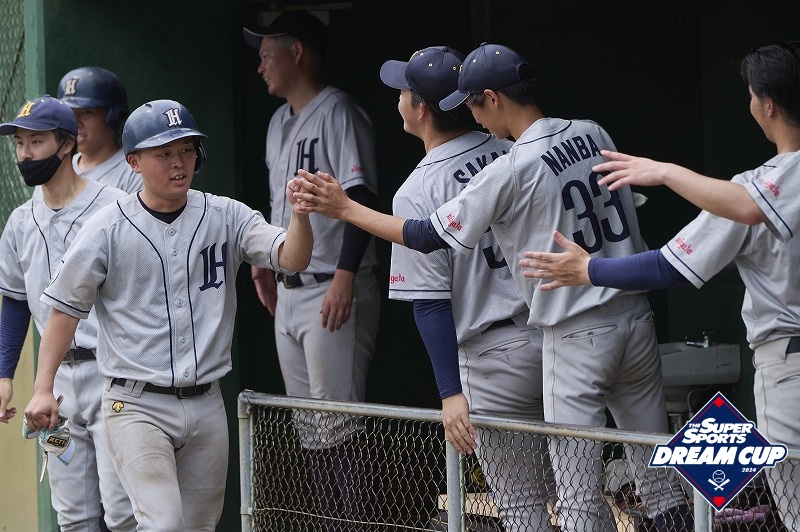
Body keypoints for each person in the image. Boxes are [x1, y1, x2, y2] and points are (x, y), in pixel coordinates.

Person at [292, 42, 693, 532]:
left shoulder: (497, 168)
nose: (473, 114)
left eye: (475, 103)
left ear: (487, 99)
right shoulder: (587, 132)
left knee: (559, 503)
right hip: (627, 319)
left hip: (552, 339)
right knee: (659, 483)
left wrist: (345, 209)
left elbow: (427, 256)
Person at [520, 40, 800, 530]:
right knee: (663, 481)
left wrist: (590, 270)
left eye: (752, 95)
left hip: (789, 366)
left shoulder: (755, 188)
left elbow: (670, 266)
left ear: (768, 105)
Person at [22, 99, 313, 531]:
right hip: (135, 403)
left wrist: (301, 217)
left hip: (206, 402)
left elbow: (291, 258)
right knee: (163, 524)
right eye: (164, 153)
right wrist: (42, 388)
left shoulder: (225, 214)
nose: (178, 163)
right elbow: (64, 308)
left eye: (186, 150)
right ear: (135, 162)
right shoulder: (106, 227)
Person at [378, 45, 555, 530]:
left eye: (403, 92)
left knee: (522, 508)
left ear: (420, 109)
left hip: (493, 357)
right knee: (577, 493)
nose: (397, 99)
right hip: (555, 334)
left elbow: (430, 303)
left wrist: (449, 392)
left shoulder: (417, 190)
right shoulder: (512, 149)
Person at [243, 10, 380, 528]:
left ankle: (356, 524)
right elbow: (279, 208)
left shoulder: (338, 111)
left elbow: (362, 196)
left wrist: (346, 274)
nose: (260, 66)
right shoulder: (277, 123)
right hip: (289, 286)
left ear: (296, 52)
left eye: (267, 55)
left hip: (332, 284)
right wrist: (267, 260)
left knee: (338, 421)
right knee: (311, 426)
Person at [0, 95, 135, 531]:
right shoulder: (20, 222)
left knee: (124, 515)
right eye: (19, 143)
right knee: (74, 518)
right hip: (55, 382)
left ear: (66, 144)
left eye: (36, 141)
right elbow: (15, 301)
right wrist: (4, 374)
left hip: (113, 372)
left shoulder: (116, 206)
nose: (25, 154)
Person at [57, 66, 142, 193]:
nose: (75, 123)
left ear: (114, 117)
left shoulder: (134, 172)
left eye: (86, 112)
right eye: (70, 113)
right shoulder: (57, 169)